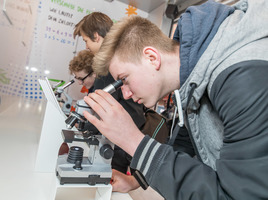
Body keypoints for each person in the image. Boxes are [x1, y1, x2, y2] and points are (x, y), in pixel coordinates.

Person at [82, 0, 268, 199]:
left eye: (124, 80)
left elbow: (242, 195)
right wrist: (136, 180)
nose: (125, 94)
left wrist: (133, 140)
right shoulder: (193, 74)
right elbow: (186, 144)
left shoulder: (242, 78)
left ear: (152, 58)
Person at [69, 49, 146, 174]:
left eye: (81, 79)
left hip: (124, 137)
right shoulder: (96, 85)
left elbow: (102, 115)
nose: (79, 83)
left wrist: (82, 126)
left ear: (94, 73)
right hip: (121, 135)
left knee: (112, 176)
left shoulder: (105, 81)